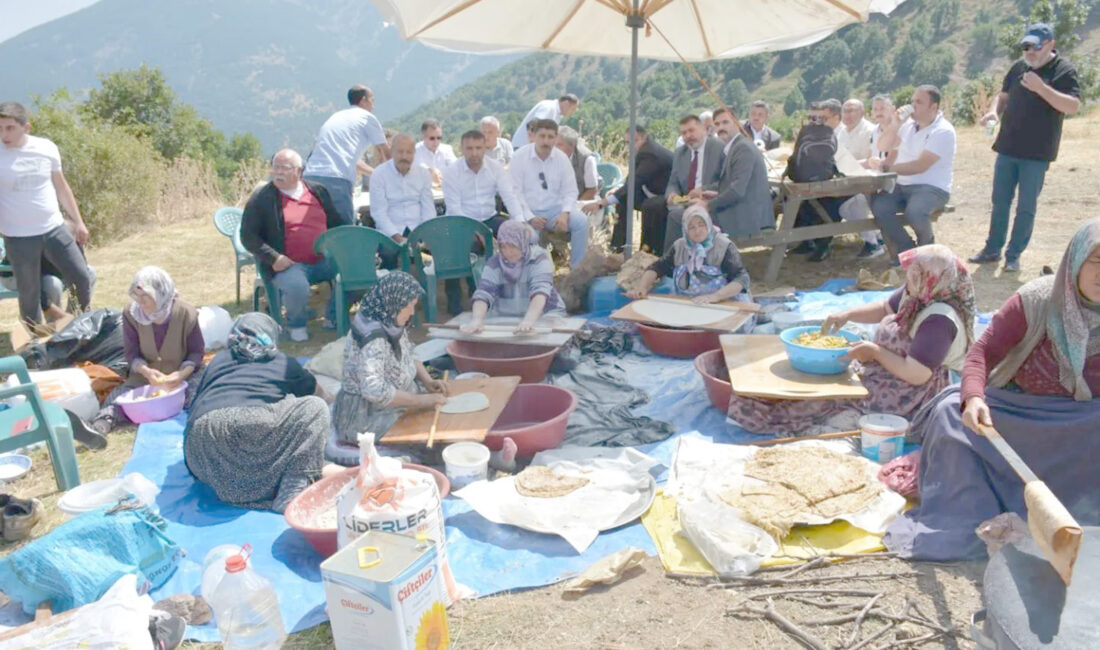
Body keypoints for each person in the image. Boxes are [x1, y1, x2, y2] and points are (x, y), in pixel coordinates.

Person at [885, 219, 1100, 560]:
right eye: (1096, 261)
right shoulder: (1036, 301)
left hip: (1082, 421)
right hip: (1016, 411)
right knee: (949, 415)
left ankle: (1074, 520)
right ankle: (972, 519)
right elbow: (981, 354)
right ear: (1075, 260)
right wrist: (973, 398)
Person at [728, 244, 974, 436]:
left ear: (934, 279)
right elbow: (884, 308)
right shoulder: (919, 292)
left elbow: (917, 374)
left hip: (907, 393)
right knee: (817, 384)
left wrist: (876, 352)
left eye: (915, 274)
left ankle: (763, 414)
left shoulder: (938, 321)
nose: (908, 278)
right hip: (882, 371)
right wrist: (847, 315)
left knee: (826, 400)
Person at [185, 312, 333, 513]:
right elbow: (318, 394)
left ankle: (241, 490)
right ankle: (293, 488)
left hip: (203, 442)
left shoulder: (219, 360)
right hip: (249, 424)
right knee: (315, 408)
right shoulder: (283, 363)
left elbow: (198, 399)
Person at [969, 22, 1081, 273]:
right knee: (1000, 201)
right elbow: (1004, 95)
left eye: (1035, 47)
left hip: (1037, 153)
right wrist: (992, 112)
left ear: (1050, 45)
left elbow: (1072, 106)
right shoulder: (1019, 67)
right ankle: (991, 250)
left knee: (1026, 206)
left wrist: (1042, 88)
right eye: (1025, 46)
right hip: (1008, 146)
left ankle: (1014, 255)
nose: (1029, 52)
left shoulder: (1064, 71)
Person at [329, 273, 446, 463]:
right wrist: (420, 401)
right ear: (395, 304)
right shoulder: (373, 337)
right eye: (410, 306)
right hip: (366, 414)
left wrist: (428, 381)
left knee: (434, 421)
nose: (412, 312)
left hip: (397, 399)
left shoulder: (388, 319)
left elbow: (409, 353)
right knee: (424, 444)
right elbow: (374, 391)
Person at [0, 101, 94, 331]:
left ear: (26, 127)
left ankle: (73, 328)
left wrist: (79, 222)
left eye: (10, 128)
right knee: (29, 295)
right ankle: (35, 347)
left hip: (53, 228)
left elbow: (62, 188)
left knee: (81, 277)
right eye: (0, 128)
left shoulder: (46, 148)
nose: (4, 134)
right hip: (18, 237)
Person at [241, 149, 343, 343]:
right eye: (275, 167)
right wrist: (273, 257)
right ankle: (296, 324)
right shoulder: (262, 198)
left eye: (284, 168)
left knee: (355, 271)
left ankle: (332, 316)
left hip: (325, 259)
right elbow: (248, 236)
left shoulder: (318, 191)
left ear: (299, 171)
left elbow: (336, 222)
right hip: (288, 264)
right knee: (297, 287)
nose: (278, 172)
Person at [91, 267, 204, 434]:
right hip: (145, 379)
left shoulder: (186, 313)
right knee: (120, 398)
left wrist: (181, 374)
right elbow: (131, 353)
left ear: (161, 294)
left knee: (198, 392)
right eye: (137, 297)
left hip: (181, 376)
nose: (141, 302)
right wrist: (146, 372)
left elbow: (196, 353)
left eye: (147, 297)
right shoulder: (132, 313)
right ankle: (102, 424)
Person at [627, 205, 754, 326]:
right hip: (690, 304)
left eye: (701, 225)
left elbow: (742, 278)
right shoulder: (680, 246)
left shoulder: (724, 246)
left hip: (723, 303)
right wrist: (642, 288)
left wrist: (716, 297)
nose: (697, 231)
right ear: (685, 229)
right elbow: (657, 268)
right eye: (692, 227)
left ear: (708, 225)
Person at [869, 85, 956, 257]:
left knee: (915, 212)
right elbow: (884, 146)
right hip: (902, 185)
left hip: (932, 187)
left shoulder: (943, 131)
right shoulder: (908, 126)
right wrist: (895, 124)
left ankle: (927, 249)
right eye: (912, 101)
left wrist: (887, 167)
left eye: (919, 102)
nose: (913, 106)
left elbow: (920, 166)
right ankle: (906, 249)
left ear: (933, 107)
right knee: (879, 207)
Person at [303, 85, 389, 225]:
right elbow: (386, 153)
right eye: (372, 100)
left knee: (314, 227)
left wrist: (375, 173)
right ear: (363, 100)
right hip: (336, 179)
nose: (373, 106)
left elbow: (352, 159)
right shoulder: (367, 118)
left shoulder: (336, 117)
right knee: (344, 231)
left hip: (309, 177)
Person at [461, 220, 566, 335]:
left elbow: (540, 292)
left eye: (512, 246)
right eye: (503, 247)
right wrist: (477, 320)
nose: (508, 252)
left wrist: (528, 321)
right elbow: (484, 293)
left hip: (544, 315)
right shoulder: (494, 263)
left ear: (522, 242)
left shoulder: (538, 258)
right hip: (504, 316)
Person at [683, 107, 773, 240]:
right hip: (740, 208)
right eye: (717, 124)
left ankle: (681, 259)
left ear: (737, 123)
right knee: (685, 209)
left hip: (748, 217)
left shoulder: (743, 148)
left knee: (683, 217)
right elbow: (729, 183)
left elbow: (737, 190)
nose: (721, 128)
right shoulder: (734, 146)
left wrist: (708, 205)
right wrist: (705, 190)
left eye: (725, 122)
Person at [510, 119, 589, 268]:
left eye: (550, 137)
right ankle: (531, 276)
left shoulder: (561, 158)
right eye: (542, 136)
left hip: (554, 211)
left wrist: (565, 213)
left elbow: (570, 190)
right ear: (533, 136)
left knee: (581, 222)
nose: (546, 141)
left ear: (556, 138)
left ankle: (577, 270)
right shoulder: (519, 157)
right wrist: (530, 217)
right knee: (531, 236)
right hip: (527, 211)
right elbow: (515, 193)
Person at [585, 124, 673, 254]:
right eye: (627, 142)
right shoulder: (641, 151)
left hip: (667, 195)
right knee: (623, 198)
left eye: (634, 141)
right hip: (652, 191)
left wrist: (603, 202)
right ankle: (618, 248)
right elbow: (631, 179)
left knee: (649, 206)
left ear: (644, 138)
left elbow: (636, 181)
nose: (630, 146)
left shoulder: (649, 153)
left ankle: (646, 251)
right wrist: (618, 191)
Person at [656, 115, 725, 256]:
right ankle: (653, 253)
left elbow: (726, 182)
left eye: (691, 131)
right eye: (684, 133)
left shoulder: (719, 148)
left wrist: (703, 190)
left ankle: (670, 262)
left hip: (710, 203)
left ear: (703, 129)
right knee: (655, 207)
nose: (688, 136)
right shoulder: (681, 153)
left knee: (676, 216)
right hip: (686, 200)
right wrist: (672, 194)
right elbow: (673, 182)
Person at [443, 130, 527, 234]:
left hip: (490, 218)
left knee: (518, 234)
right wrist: (475, 231)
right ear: (462, 149)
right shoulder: (451, 172)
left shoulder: (495, 168)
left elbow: (509, 196)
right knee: (475, 244)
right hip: (462, 222)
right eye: (469, 148)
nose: (474, 153)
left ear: (484, 148)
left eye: (478, 148)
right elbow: (454, 209)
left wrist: (520, 221)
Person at [836, 98, 885, 259]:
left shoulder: (871, 131)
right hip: (844, 181)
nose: (848, 115)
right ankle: (877, 236)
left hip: (869, 182)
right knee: (841, 206)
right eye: (845, 111)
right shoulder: (839, 132)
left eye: (852, 111)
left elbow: (873, 160)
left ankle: (872, 243)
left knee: (852, 203)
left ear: (862, 113)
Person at [369, 133, 436, 244]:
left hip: (418, 229)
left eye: (408, 152)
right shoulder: (379, 174)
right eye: (400, 152)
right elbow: (378, 212)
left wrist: (424, 234)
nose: (404, 157)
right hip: (390, 233)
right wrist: (397, 237)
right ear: (392, 152)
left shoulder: (423, 174)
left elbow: (428, 209)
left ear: (414, 153)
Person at [512, 94, 580, 149]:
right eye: (572, 109)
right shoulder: (549, 107)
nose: (572, 113)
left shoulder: (557, 113)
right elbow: (533, 124)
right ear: (566, 104)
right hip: (523, 147)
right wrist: (533, 143)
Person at [555, 126, 599, 201]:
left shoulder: (587, 159)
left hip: (583, 201)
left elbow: (592, 190)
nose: (554, 148)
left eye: (559, 145)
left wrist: (573, 207)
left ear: (572, 146)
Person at [414, 119, 457, 183]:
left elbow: (456, 167)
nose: (436, 142)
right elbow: (419, 166)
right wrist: (431, 171)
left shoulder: (447, 149)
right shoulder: (415, 150)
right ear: (423, 136)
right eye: (432, 138)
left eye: (439, 138)